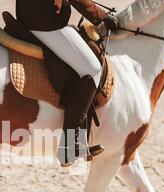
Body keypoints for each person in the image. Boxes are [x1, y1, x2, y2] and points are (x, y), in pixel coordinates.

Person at [16, 0, 118, 167]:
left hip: (31, 15)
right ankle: (70, 147)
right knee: (93, 69)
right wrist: (101, 16)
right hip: (46, 22)